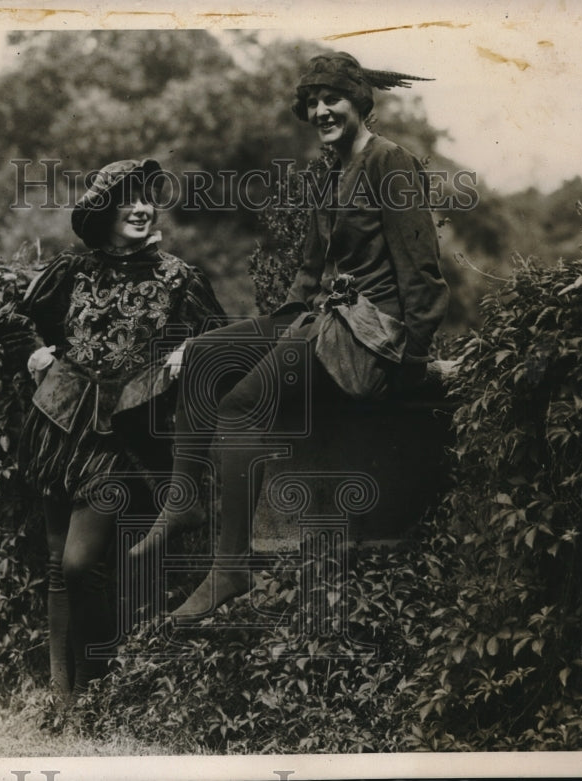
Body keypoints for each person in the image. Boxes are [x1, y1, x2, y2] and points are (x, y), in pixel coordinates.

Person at [130, 51, 449, 619]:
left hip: (365, 335)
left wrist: (411, 361)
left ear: (359, 102)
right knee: (204, 354)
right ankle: (183, 504)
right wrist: (280, 324)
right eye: (312, 103)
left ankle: (230, 567)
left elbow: (422, 274)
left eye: (333, 99)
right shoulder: (330, 169)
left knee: (241, 407)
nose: (321, 110)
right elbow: (311, 266)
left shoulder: (390, 164)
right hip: (321, 320)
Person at [0, 158, 225, 700]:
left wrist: (192, 349)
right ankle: (64, 703)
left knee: (79, 564)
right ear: (105, 210)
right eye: (128, 198)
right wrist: (38, 356)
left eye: (147, 197)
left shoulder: (178, 279)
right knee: (55, 565)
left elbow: (224, 341)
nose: (141, 207)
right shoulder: (74, 272)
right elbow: (12, 321)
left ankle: (96, 696)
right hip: (59, 430)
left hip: (124, 442)